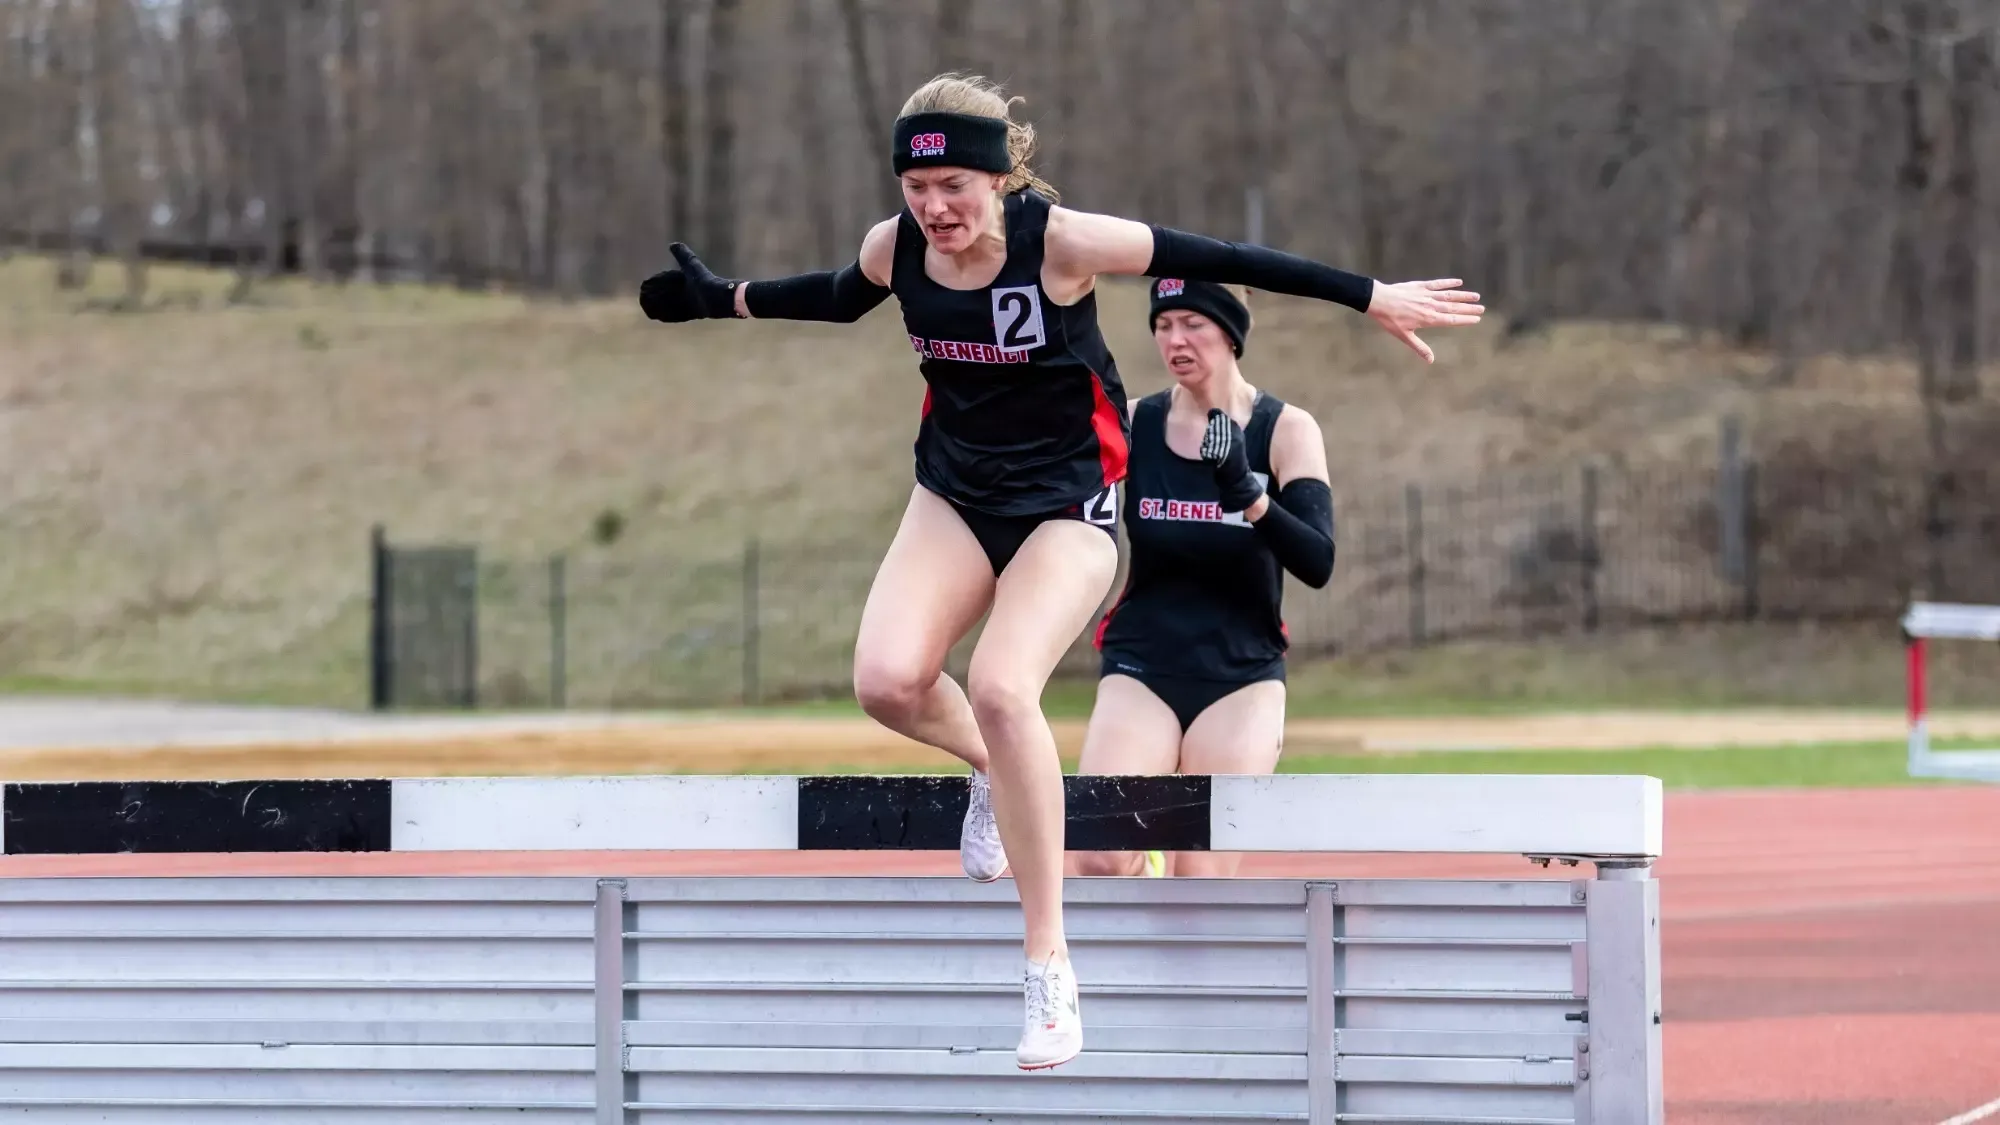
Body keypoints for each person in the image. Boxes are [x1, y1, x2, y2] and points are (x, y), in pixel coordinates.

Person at [636, 72, 1482, 1072]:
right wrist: (718, 300)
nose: (934, 209)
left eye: (953, 185)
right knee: (886, 682)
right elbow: (832, 298)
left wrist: (1367, 294)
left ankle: (1046, 966)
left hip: (1068, 509)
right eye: (917, 189)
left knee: (1000, 683)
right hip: (951, 493)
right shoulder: (894, 246)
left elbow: (1224, 255)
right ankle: (999, 776)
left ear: (999, 178)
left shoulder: (1063, 243)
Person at [1074, 279, 1334, 881]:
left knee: (1202, 885)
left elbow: (1317, 561)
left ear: (1231, 332)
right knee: (1098, 854)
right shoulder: (1136, 423)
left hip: (1240, 674)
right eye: (1164, 325)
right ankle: (1142, 885)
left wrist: (1249, 493)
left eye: (1193, 323)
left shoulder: (1287, 430)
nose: (1176, 339)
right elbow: (1074, 515)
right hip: (1144, 664)